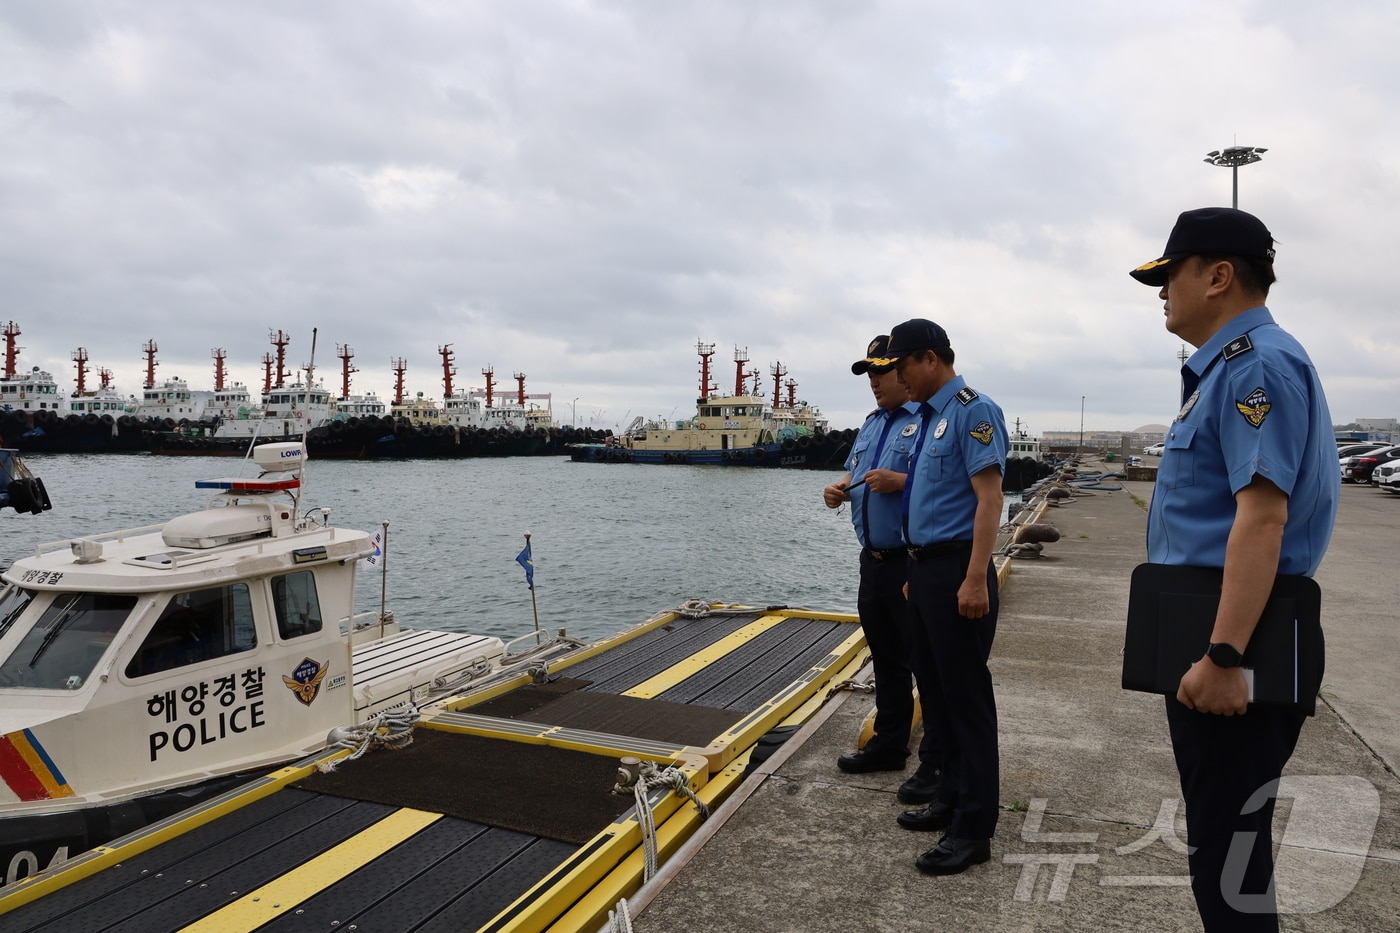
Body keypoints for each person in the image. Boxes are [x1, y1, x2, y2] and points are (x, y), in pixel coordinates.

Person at [1129, 207, 1338, 932]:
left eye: (1168, 276)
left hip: (1234, 646)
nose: (1160, 292)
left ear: (1218, 276)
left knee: (1228, 860)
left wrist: (1223, 655)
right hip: (1214, 629)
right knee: (1226, 850)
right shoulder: (1229, 366)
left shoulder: (1255, 365)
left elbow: (1263, 518)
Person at [874, 319, 1007, 875]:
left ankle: (974, 828)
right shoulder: (931, 419)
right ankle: (950, 797)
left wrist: (975, 577)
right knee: (939, 696)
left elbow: (988, 499)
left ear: (930, 359)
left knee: (967, 702)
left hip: (958, 569)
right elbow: (929, 498)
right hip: (926, 569)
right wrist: (916, 566)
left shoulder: (974, 410)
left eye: (901, 367)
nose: (898, 379)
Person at [822, 335, 943, 805]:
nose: (873, 381)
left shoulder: (929, 422)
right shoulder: (871, 426)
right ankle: (889, 744)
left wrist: (902, 482)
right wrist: (840, 489)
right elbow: (857, 474)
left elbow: (948, 484)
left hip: (910, 561)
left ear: (906, 371)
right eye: (868, 372)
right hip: (872, 562)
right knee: (887, 660)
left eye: (881, 370)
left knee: (928, 666)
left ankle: (935, 759)